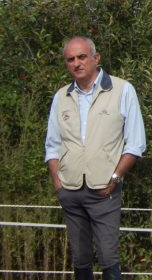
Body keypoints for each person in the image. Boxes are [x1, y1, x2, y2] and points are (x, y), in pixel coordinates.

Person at [44, 37, 146, 280]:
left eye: (82, 57)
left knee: (109, 258)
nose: (77, 63)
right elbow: (52, 145)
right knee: (80, 260)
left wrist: (115, 177)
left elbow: (136, 143)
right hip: (70, 190)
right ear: (66, 64)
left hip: (104, 190)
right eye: (71, 59)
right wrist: (59, 184)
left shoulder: (122, 90)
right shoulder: (61, 97)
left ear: (95, 58)